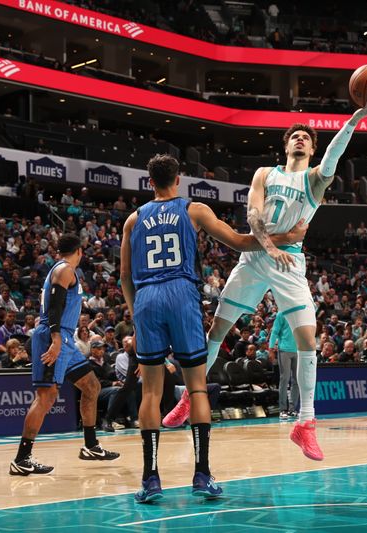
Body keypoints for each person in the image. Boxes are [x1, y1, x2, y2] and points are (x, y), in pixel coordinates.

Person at [162, 101, 367, 461]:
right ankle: (191, 395)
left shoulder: (315, 180)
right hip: (254, 258)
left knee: (307, 339)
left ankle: (306, 423)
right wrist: (269, 244)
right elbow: (252, 215)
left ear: (312, 149)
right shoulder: (265, 173)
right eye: (294, 136)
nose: (300, 139)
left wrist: (356, 119)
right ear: (286, 146)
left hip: (290, 264)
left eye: (306, 138)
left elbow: (334, 154)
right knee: (217, 331)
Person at [120, 154, 307, 503]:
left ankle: (150, 479)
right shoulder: (194, 211)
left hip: (146, 299)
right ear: (178, 180)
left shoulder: (133, 219)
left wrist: (137, 313)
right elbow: (239, 241)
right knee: (198, 390)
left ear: (150, 182)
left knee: (150, 394)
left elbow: (124, 278)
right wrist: (286, 237)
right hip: (181, 293)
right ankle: (201, 475)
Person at [9, 234, 119, 476]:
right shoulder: (65, 270)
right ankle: (22, 458)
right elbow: (54, 308)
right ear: (79, 251)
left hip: (66, 340)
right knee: (46, 397)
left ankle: (91, 445)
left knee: (91, 386)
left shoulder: (67, 271)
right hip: (54, 337)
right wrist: (56, 339)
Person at [269, 310, 299, 419]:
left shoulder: (299, 311)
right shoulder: (281, 313)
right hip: (284, 350)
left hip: (298, 350)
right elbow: (275, 331)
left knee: (296, 380)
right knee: (284, 379)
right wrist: (271, 348)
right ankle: (282, 409)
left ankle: (293, 409)